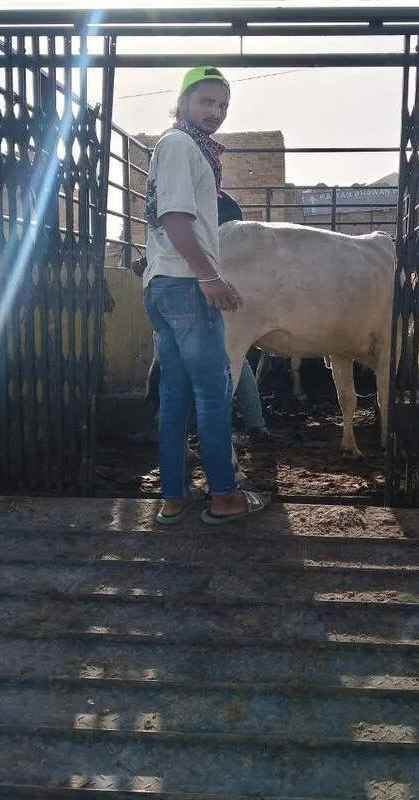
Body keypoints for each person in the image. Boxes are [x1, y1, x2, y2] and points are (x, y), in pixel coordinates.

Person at [142, 65, 268, 526]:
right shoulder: (180, 145)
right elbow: (176, 219)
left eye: (223, 105)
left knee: (175, 395)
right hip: (186, 286)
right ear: (183, 102)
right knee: (214, 393)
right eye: (206, 102)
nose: (215, 112)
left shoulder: (184, 147)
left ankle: (173, 498)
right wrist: (210, 276)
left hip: (164, 285)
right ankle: (224, 497)